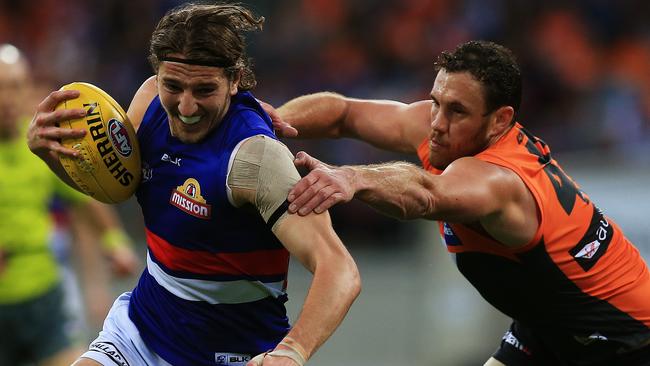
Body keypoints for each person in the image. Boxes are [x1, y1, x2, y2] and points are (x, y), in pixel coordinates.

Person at [265, 40, 650, 365]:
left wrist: (352, 176)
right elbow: (344, 114)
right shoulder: (445, 131)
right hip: (547, 326)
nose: (437, 122)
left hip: (626, 340)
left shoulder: (501, 181)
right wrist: (266, 123)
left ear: (500, 121)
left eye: (457, 111)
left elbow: (424, 194)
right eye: (436, 102)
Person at [27, 4, 361, 366]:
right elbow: (113, 188)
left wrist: (292, 352)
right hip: (141, 331)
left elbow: (339, 269)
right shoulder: (149, 102)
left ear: (235, 81)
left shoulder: (254, 158)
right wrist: (50, 157)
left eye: (204, 90)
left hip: (230, 354)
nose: (186, 106)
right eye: (173, 85)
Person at [0, 43, 140, 366]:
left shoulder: (43, 142)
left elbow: (87, 200)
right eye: (1, 88)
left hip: (43, 296)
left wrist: (115, 242)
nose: (8, 98)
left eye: (16, 87)